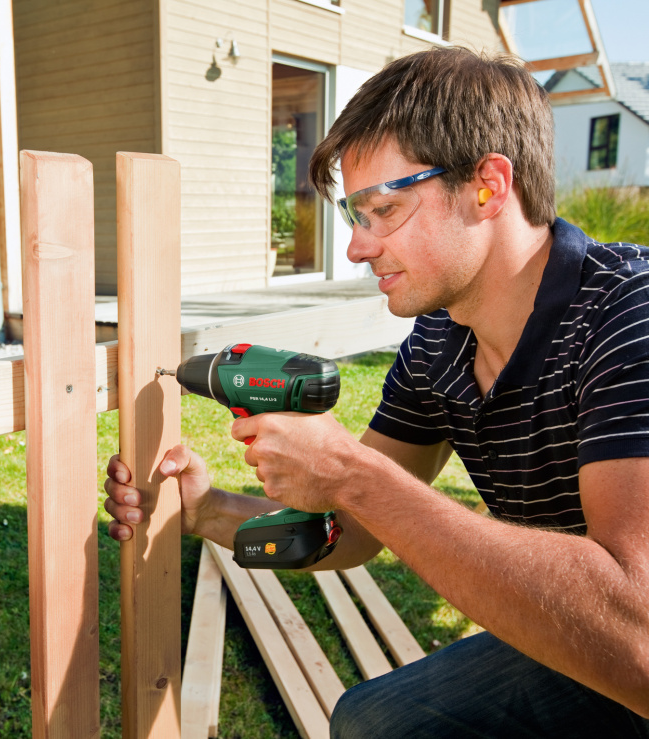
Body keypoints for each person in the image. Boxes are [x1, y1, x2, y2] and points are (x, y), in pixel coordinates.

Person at [103, 47, 649, 736]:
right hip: (588, 635)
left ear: (488, 186)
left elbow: (637, 634)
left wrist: (354, 475)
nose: (358, 248)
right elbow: (353, 530)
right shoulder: (439, 343)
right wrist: (206, 510)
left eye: (383, 210)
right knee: (374, 722)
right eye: (354, 216)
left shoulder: (628, 315)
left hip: (630, 641)